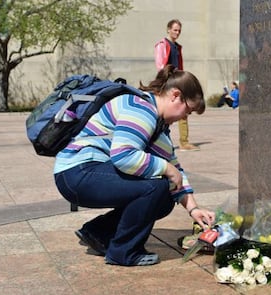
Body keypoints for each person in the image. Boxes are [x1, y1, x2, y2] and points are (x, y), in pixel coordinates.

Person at [53, 65, 216, 266]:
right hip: (77, 172)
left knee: (164, 198)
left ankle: (98, 233)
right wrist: (166, 169)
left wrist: (193, 209)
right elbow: (123, 156)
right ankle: (124, 252)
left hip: (84, 173)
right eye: (187, 111)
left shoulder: (158, 124)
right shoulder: (141, 109)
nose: (184, 117)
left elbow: (176, 170)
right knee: (156, 187)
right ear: (175, 95)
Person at [154, 19, 200, 151]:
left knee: (184, 109)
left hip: (178, 81)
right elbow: (160, 66)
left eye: (179, 30)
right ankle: (157, 140)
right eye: (175, 30)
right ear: (168, 29)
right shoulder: (162, 45)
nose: (177, 32)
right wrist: (165, 81)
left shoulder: (177, 47)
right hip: (167, 82)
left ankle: (184, 142)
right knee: (163, 113)